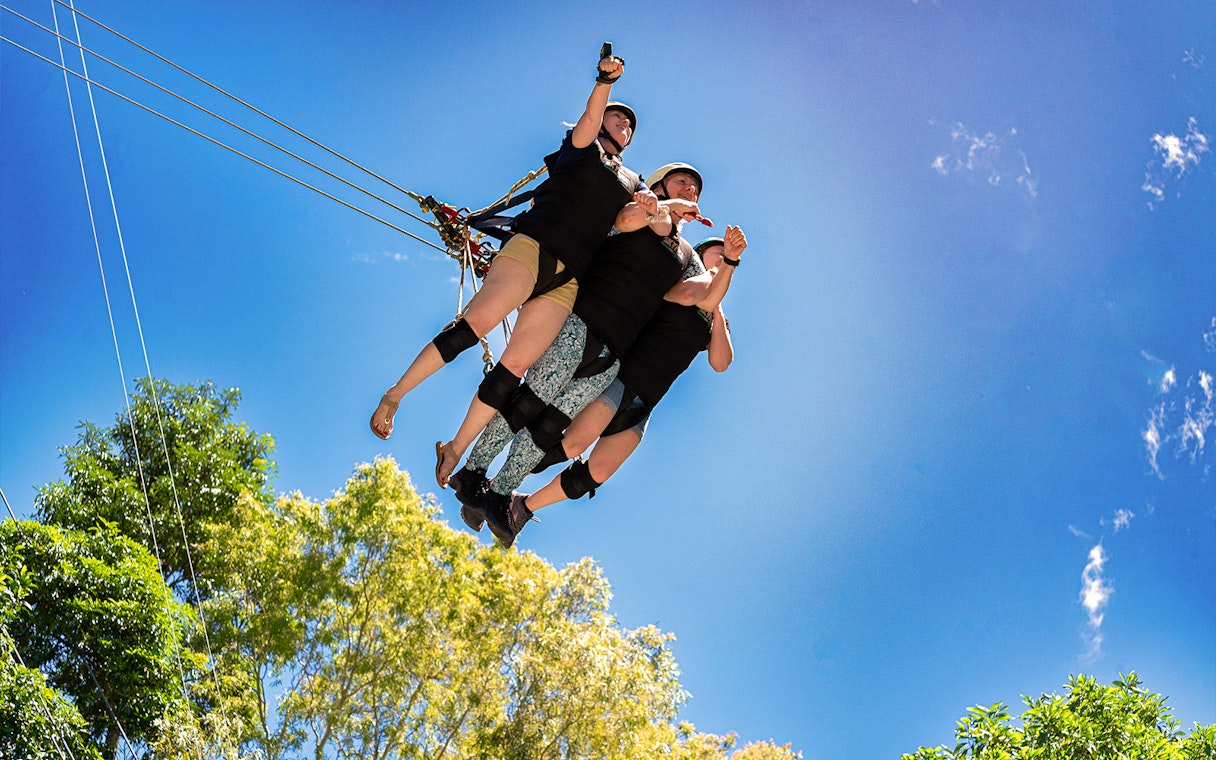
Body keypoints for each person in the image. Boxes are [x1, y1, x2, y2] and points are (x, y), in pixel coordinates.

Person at [369, 48, 644, 450]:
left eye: (631, 126)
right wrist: (605, 83)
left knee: (514, 367)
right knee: (474, 326)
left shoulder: (633, 181)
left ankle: (455, 448)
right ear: (603, 119)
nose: (627, 125)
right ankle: (394, 394)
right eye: (620, 117)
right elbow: (588, 118)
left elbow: (628, 220)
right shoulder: (581, 146)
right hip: (535, 245)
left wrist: (664, 208)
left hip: (568, 276)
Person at [450, 169, 739, 547]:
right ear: (659, 184)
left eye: (696, 188)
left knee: (550, 425)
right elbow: (626, 220)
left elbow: (700, 302)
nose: (691, 190)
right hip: (584, 317)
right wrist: (664, 207)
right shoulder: (642, 208)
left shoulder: (686, 256)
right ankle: (473, 470)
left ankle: (499, 491)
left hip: (615, 350)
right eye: (682, 182)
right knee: (530, 401)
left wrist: (726, 266)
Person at [511, 233, 743, 527]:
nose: (723, 260)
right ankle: (499, 483)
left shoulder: (717, 317)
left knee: (600, 471)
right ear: (699, 255)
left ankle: (522, 506)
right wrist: (713, 284)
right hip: (623, 375)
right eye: (717, 254)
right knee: (572, 444)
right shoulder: (686, 279)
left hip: (647, 398)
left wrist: (718, 306)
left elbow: (721, 362)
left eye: (728, 259)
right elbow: (684, 296)